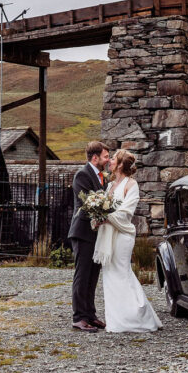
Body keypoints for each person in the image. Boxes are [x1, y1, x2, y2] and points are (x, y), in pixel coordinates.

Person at [94, 149, 162, 333]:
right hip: (109, 234)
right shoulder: (109, 186)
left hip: (122, 236)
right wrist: (98, 216)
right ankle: (118, 319)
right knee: (110, 275)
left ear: (121, 164)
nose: (110, 162)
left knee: (122, 273)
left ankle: (136, 318)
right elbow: (105, 208)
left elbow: (126, 212)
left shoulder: (131, 184)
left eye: (113, 159)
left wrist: (107, 217)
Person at [67, 140, 109, 332]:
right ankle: (79, 317)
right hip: (83, 232)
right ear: (95, 158)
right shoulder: (82, 175)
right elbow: (86, 203)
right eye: (105, 157)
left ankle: (90, 315)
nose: (108, 160)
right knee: (82, 275)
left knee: (93, 276)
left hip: (97, 233)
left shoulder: (102, 177)